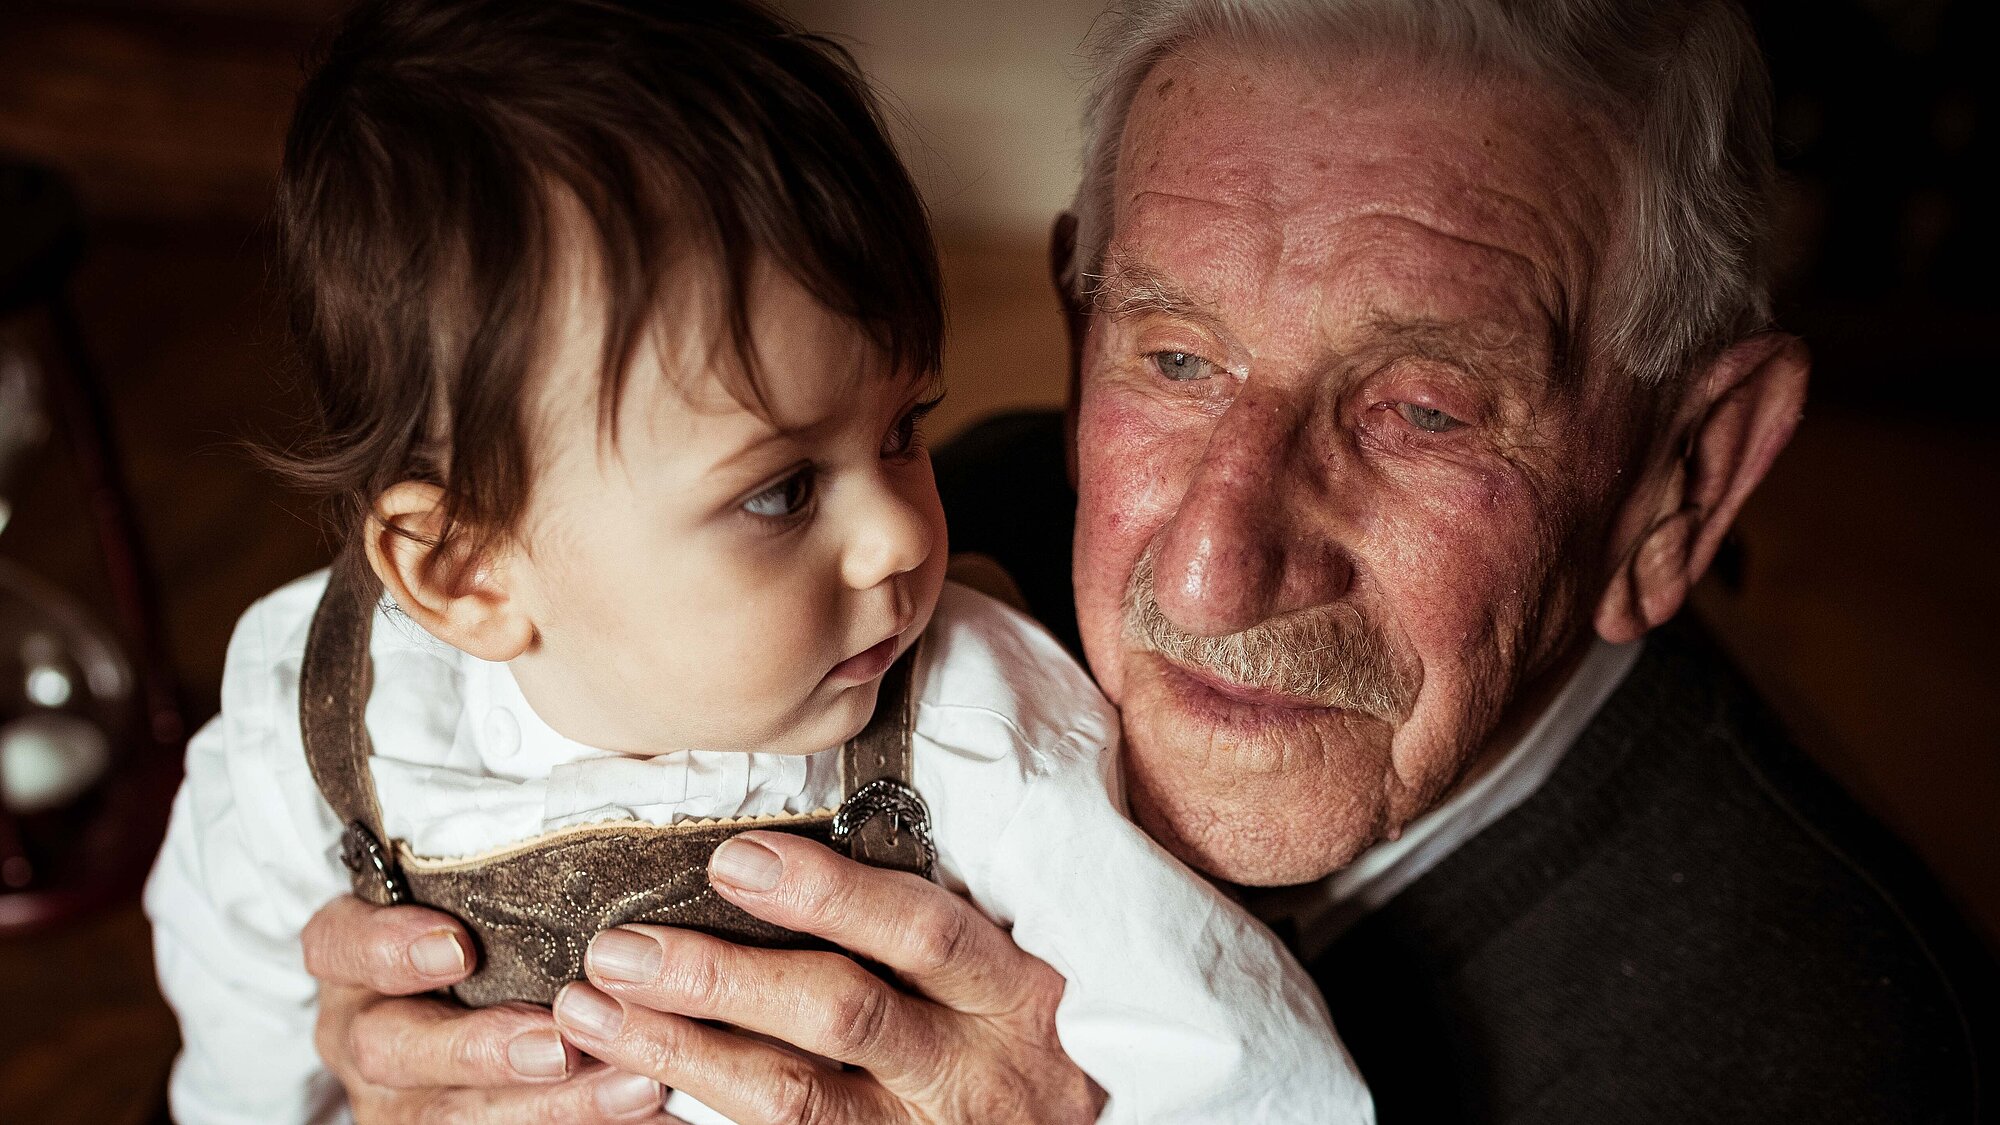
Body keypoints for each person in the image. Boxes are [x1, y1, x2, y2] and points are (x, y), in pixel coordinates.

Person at [282, 0, 2000, 1121]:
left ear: (1683, 481)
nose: (1221, 557)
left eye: (1420, 411)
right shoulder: (916, 563)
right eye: (1174, 362)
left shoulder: (1839, 1051)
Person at [140, 1, 1376, 1123]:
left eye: (901, 430)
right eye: (781, 490)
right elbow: (237, 976)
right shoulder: (318, 707)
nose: (899, 534)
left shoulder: (967, 719)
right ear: (464, 574)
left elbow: (1223, 1060)